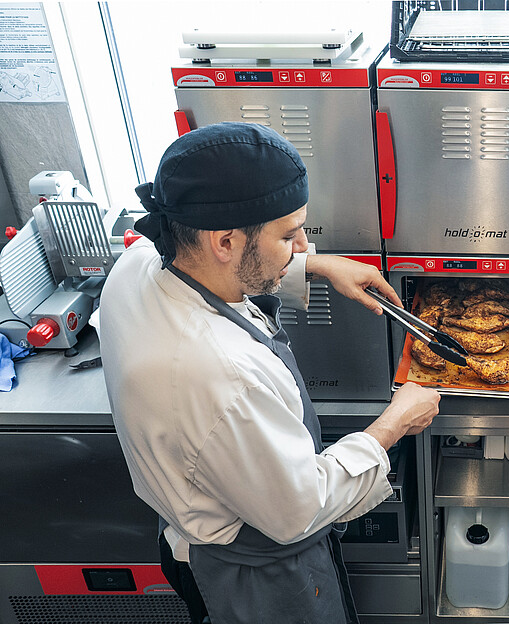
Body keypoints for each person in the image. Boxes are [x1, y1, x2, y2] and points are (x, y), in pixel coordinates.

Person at [98, 122, 440, 624]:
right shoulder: (221, 371)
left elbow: (221, 267)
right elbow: (299, 508)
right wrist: (395, 423)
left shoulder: (138, 262)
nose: (303, 245)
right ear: (225, 241)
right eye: (288, 235)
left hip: (187, 534)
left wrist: (319, 267)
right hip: (253, 573)